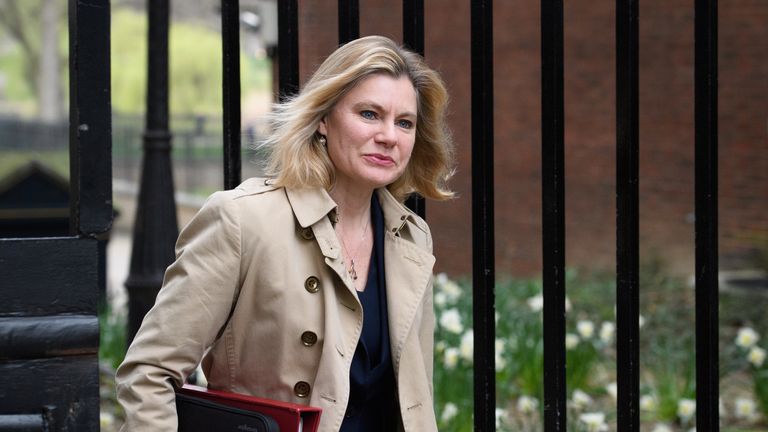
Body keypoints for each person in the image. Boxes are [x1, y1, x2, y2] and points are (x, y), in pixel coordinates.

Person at [116, 35, 454, 432]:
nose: (388, 136)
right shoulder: (244, 220)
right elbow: (149, 372)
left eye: (404, 123)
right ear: (324, 120)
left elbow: (417, 397)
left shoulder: (411, 238)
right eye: (368, 114)